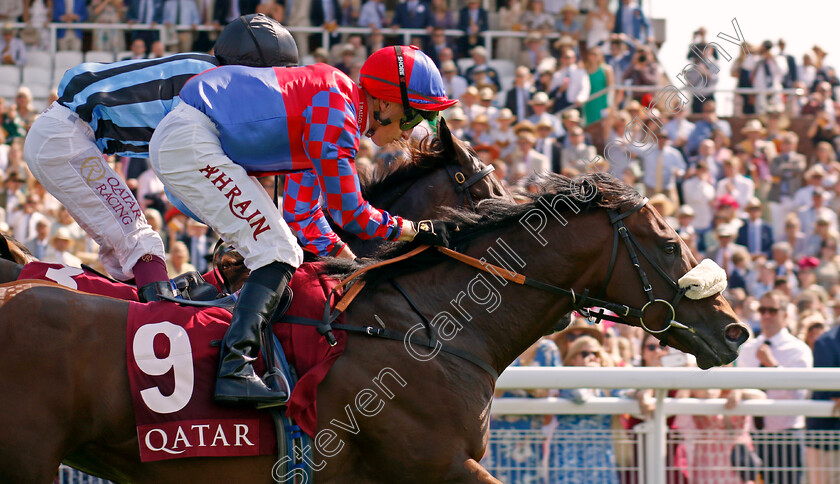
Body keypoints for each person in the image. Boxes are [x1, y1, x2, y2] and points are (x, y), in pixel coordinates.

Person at [148, 45, 459, 407]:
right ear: (386, 105)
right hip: (191, 141)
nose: (409, 133)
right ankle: (234, 370)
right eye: (412, 119)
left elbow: (304, 216)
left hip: (189, 138)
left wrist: (353, 267)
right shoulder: (336, 111)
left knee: (280, 245)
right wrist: (418, 230)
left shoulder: (334, 105)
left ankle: (190, 297)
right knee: (277, 250)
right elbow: (351, 214)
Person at [22, 14, 299, 304]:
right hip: (64, 137)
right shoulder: (209, 86)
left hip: (66, 135)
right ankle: (160, 315)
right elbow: (193, 171)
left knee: (124, 245)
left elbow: (180, 185)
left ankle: (134, 311)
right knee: (138, 239)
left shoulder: (206, 73)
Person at [737, 290, 812, 484]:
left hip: (785, 436)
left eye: (772, 310)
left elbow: (799, 394)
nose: (766, 315)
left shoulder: (799, 349)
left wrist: (774, 367)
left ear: (785, 315)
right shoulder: (748, 348)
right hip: (754, 436)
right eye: (763, 310)